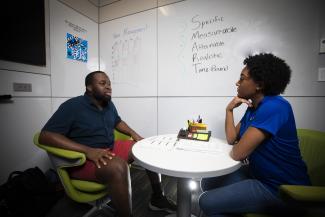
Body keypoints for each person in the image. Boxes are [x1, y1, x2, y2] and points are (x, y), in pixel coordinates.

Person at [39, 71, 176, 217]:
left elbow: (117, 121)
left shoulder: (108, 104)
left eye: (109, 84)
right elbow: (45, 136)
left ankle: (157, 198)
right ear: (89, 87)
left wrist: (134, 135)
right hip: (83, 160)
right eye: (102, 83)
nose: (108, 87)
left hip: (108, 150)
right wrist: (88, 151)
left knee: (147, 148)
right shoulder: (72, 106)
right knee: (118, 167)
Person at [199, 53, 311, 216]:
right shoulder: (254, 108)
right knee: (208, 183)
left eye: (242, 78)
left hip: (281, 188)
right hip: (258, 174)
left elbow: (238, 153)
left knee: (206, 201)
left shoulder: (275, 107)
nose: (237, 83)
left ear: (259, 84)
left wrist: (239, 147)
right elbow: (232, 138)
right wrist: (229, 110)